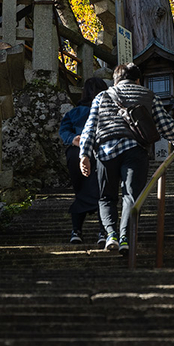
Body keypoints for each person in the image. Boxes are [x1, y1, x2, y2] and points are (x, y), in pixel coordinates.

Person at [78, 63, 174, 255]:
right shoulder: (149, 95)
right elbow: (166, 125)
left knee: (106, 197)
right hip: (135, 150)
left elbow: (90, 127)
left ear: (115, 79)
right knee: (131, 196)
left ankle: (111, 235)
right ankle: (126, 236)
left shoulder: (102, 96)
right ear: (138, 80)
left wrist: (84, 154)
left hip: (105, 151)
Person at [59, 76, 109, 245]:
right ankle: (103, 232)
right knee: (103, 192)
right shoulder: (107, 110)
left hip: (76, 154)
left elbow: (63, 130)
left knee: (81, 192)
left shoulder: (74, 112)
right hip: (102, 153)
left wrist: (74, 139)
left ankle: (76, 231)